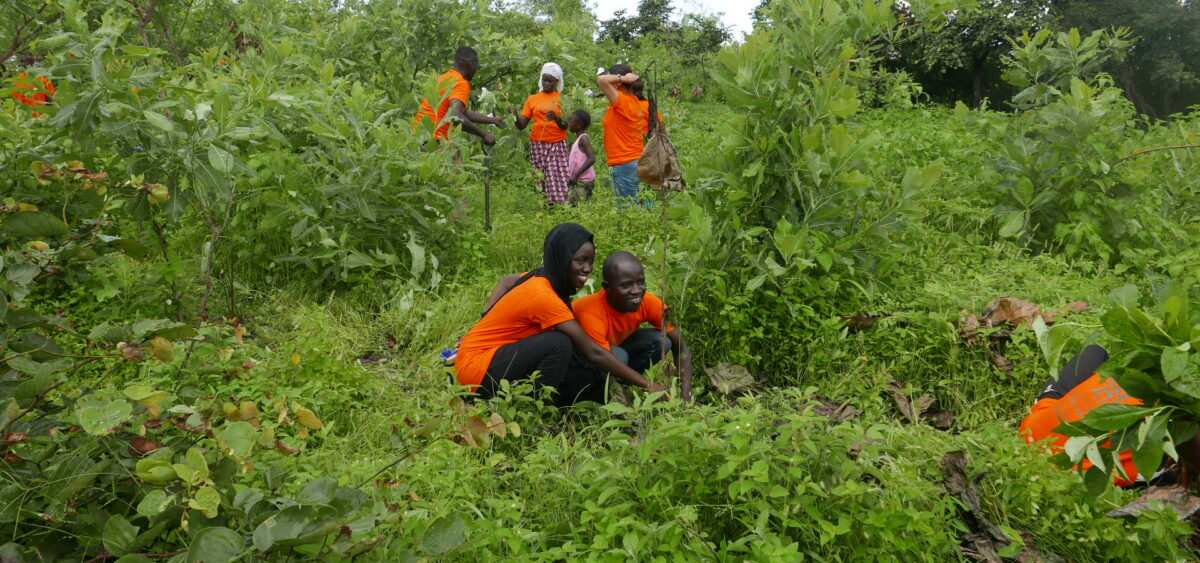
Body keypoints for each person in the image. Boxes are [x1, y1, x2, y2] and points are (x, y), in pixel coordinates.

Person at [455, 223, 669, 405]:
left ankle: (586, 397)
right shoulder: (544, 295)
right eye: (580, 261)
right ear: (562, 258)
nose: (587, 269)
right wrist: (649, 385)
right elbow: (593, 352)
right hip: (475, 373)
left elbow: (507, 281)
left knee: (589, 370)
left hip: (493, 358)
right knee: (559, 343)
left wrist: (481, 325)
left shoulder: (543, 277)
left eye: (590, 261)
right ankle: (539, 409)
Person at [1019, 345, 1150, 486]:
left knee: (1093, 352)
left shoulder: (1137, 362)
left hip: (1031, 430)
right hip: (1070, 470)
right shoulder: (1168, 410)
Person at [572, 252, 694, 401]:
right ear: (607, 288)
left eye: (641, 282)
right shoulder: (590, 313)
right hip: (580, 365)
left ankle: (622, 384)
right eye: (625, 285)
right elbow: (600, 359)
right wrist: (647, 386)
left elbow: (681, 346)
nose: (636, 291)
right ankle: (600, 396)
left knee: (661, 341)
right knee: (618, 356)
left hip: (611, 351)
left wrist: (686, 398)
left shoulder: (652, 302)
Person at [414, 46, 503, 145]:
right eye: (476, 66)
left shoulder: (445, 78)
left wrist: (492, 120)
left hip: (418, 136)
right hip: (434, 139)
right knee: (455, 158)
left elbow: (462, 112)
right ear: (470, 65)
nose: (476, 70)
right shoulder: (461, 83)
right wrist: (484, 134)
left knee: (457, 158)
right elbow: (455, 115)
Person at [515, 63, 569, 204]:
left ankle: (558, 205)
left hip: (557, 143)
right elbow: (522, 125)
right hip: (538, 144)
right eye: (544, 79)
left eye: (550, 80)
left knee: (555, 175)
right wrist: (515, 116)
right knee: (540, 175)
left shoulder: (562, 99)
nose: (546, 83)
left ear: (557, 81)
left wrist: (557, 119)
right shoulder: (533, 99)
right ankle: (544, 204)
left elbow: (566, 126)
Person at [597, 64, 650, 208]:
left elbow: (602, 80)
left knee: (628, 209)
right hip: (633, 161)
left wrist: (623, 78)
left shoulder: (624, 102)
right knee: (641, 203)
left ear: (618, 83)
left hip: (625, 163)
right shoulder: (631, 101)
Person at [566, 110, 596, 205]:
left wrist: (575, 174)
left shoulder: (583, 138)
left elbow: (592, 159)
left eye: (571, 122)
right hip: (578, 179)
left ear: (579, 125)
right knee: (571, 204)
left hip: (584, 180)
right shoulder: (577, 139)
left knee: (579, 206)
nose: (569, 123)